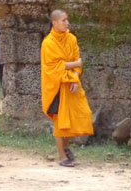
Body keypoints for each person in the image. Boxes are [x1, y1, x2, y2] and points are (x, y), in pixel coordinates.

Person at [41, 9, 94, 167]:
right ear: (54, 23)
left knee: (79, 115)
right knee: (60, 121)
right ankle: (62, 156)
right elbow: (52, 66)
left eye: (67, 20)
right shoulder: (48, 43)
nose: (67, 23)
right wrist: (75, 65)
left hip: (71, 83)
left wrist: (76, 77)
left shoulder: (71, 39)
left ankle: (65, 146)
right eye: (63, 20)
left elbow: (78, 60)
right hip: (56, 87)